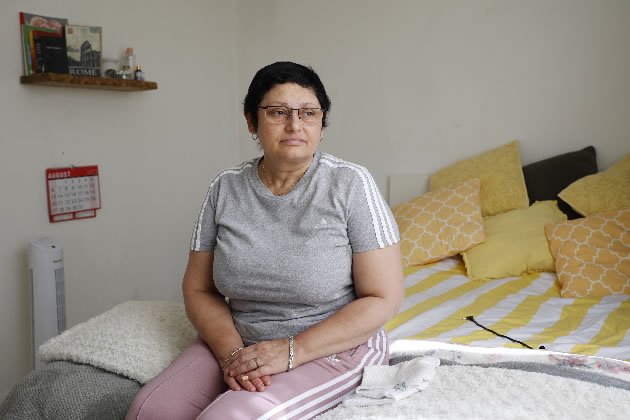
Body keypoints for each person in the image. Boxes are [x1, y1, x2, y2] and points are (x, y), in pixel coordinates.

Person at [126, 61, 404, 420]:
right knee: (148, 411)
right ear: (250, 121)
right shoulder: (225, 187)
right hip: (241, 341)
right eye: (278, 112)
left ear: (322, 122)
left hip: (333, 346)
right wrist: (231, 354)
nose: (295, 125)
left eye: (308, 113)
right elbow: (199, 289)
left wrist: (289, 351)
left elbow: (384, 297)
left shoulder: (351, 185)